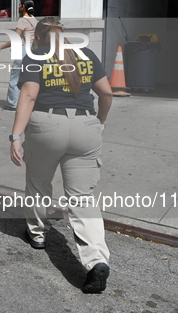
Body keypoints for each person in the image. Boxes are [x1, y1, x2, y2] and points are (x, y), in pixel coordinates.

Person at [8, 17, 113, 294]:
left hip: (47, 126)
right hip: (85, 126)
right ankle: (96, 261)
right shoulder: (86, 54)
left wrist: (16, 137)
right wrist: (100, 120)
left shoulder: (36, 55)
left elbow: (29, 97)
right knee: (81, 197)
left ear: (39, 37)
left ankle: (38, 234)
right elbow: (107, 93)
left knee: (38, 183)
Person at [0, 0, 38, 111]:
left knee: (15, 79)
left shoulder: (22, 20)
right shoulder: (35, 20)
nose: (18, 7)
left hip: (24, 51)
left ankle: (12, 104)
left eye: (20, 5)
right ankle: (31, 103)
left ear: (24, 7)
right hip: (34, 52)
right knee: (30, 79)